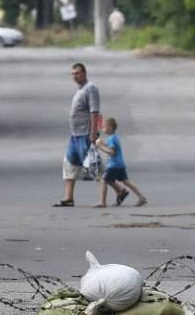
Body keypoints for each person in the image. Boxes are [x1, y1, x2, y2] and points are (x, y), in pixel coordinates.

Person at [54, 62, 101, 207]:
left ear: (84, 73)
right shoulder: (80, 89)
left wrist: (93, 133)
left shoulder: (90, 89)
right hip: (75, 135)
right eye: (73, 74)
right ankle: (68, 198)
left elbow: (94, 112)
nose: (75, 76)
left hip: (85, 134)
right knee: (69, 164)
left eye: (78, 73)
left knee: (94, 167)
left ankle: (119, 190)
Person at [92, 117, 147, 208]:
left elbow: (112, 152)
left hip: (113, 165)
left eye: (104, 127)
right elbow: (111, 148)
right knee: (126, 182)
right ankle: (141, 197)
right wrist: (103, 144)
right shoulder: (115, 137)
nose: (102, 129)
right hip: (120, 164)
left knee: (103, 180)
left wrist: (100, 147)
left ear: (109, 128)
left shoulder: (111, 139)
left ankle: (102, 202)